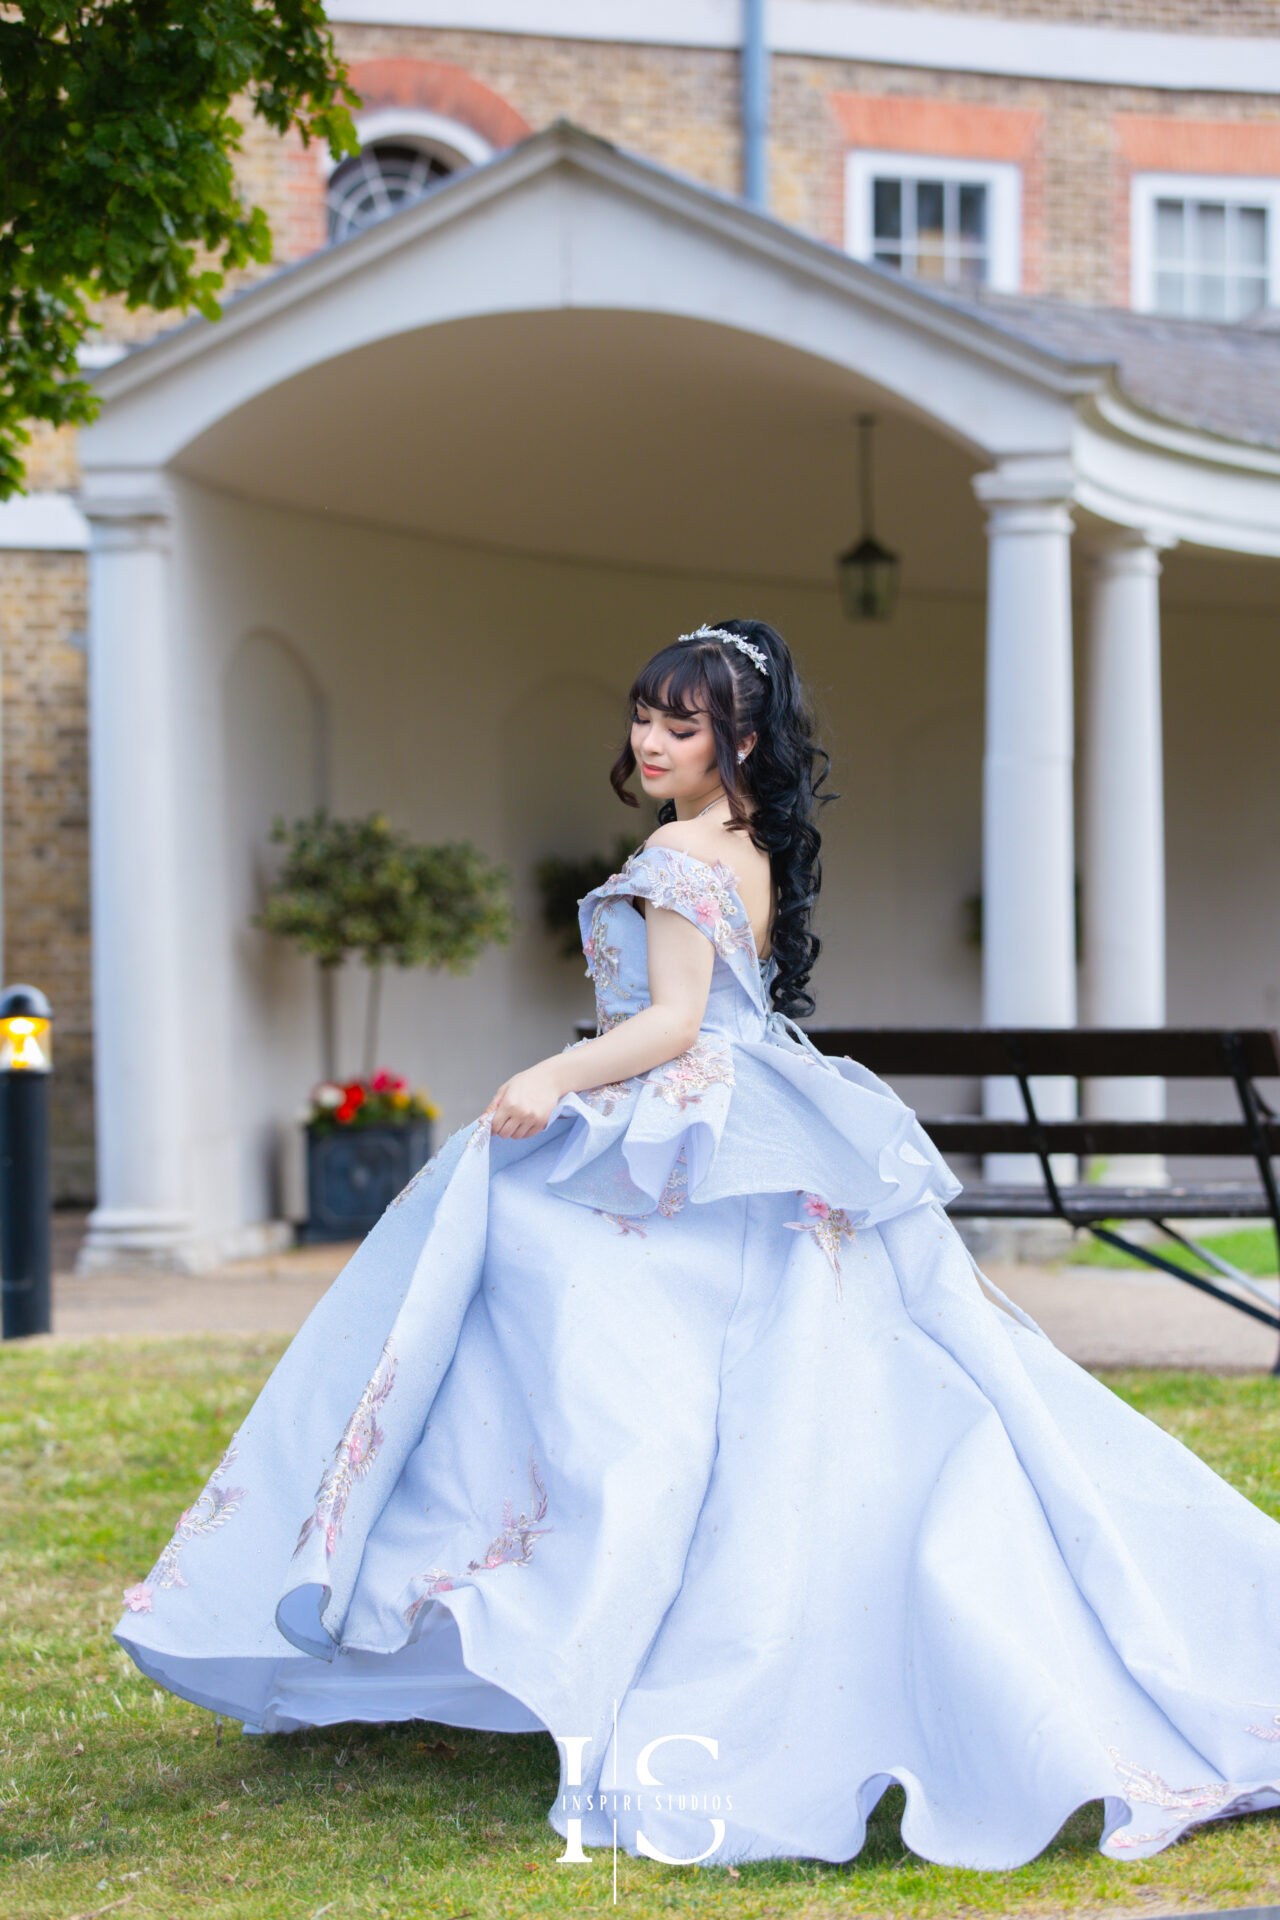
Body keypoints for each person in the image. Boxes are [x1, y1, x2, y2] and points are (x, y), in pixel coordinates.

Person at [113, 619, 1280, 1872]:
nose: (652, 740)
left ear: (743, 738)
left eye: (684, 723)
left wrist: (550, 1075)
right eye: (644, 716)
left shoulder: (679, 849)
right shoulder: (749, 841)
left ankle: (516, 1592)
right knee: (756, 1392)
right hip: (748, 1125)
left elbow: (673, 1020)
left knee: (574, 1366)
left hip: (692, 1128)